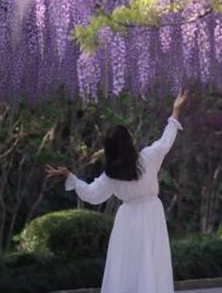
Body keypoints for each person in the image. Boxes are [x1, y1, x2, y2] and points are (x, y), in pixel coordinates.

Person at [46, 90, 189, 293]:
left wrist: (71, 177)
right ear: (129, 142)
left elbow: (92, 195)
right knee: (151, 261)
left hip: (128, 218)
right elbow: (166, 140)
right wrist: (175, 111)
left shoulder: (111, 174)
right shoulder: (148, 157)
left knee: (128, 265)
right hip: (151, 214)